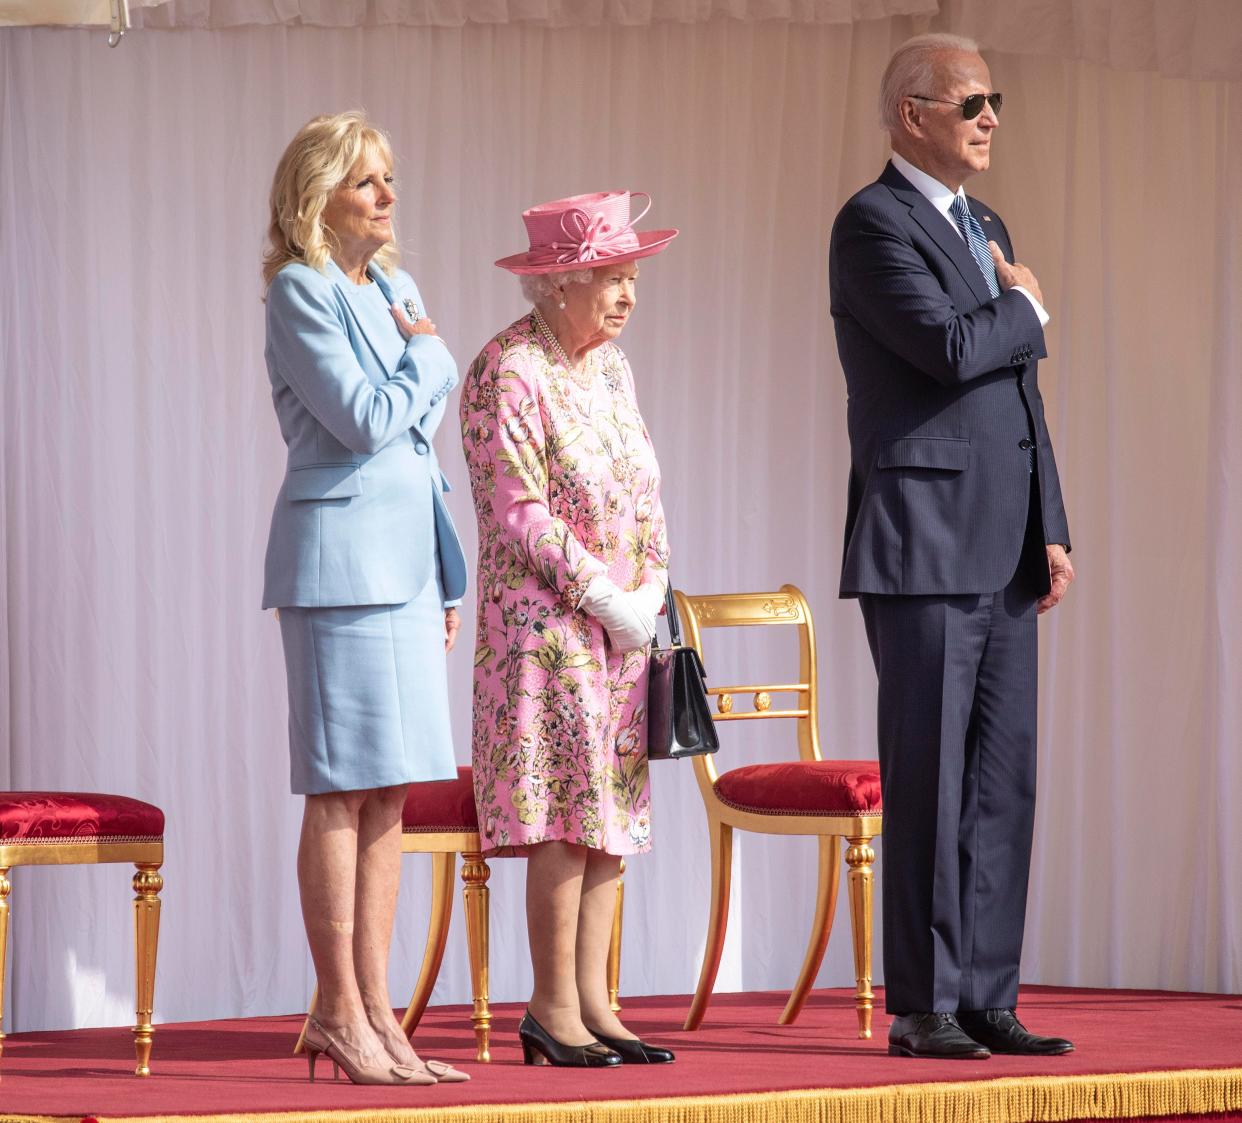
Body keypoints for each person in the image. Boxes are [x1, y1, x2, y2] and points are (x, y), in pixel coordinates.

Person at [829, 35, 1076, 1060]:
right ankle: (924, 1003)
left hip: (1005, 542)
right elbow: (948, 349)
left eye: (995, 101)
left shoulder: (987, 224)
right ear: (911, 114)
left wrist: (1050, 521)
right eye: (971, 102)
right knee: (929, 775)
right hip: (924, 541)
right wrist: (1023, 304)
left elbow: (1019, 393)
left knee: (1004, 780)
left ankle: (986, 994)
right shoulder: (871, 222)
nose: (990, 119)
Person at [261, 111, 469, 1086]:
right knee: (341, 784)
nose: (388, 196)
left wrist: (444, 572)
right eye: (366, 181)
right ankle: (339, 1008)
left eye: (389, 177)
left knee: (392, 790)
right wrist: (429, 358)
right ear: (318, 199)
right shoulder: (299, 292)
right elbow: (366, 419)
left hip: (405, 566)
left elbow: (416, 446)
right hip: (339, 568)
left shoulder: (394, 285)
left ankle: (374, 1009)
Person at [460, 191, 676, 1067]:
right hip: (545, 632)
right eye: (611, 278)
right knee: (564, 811)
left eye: (631, 278)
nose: (627, 296)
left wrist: (652, 584)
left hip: (620, 633)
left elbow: (645, 485)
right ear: (556, 284)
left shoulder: (612, 367)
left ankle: (598, 1002)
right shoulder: (507, 368)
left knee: (612, 816)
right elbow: (517, 509)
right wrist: (605, 595)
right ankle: (551, 1008)